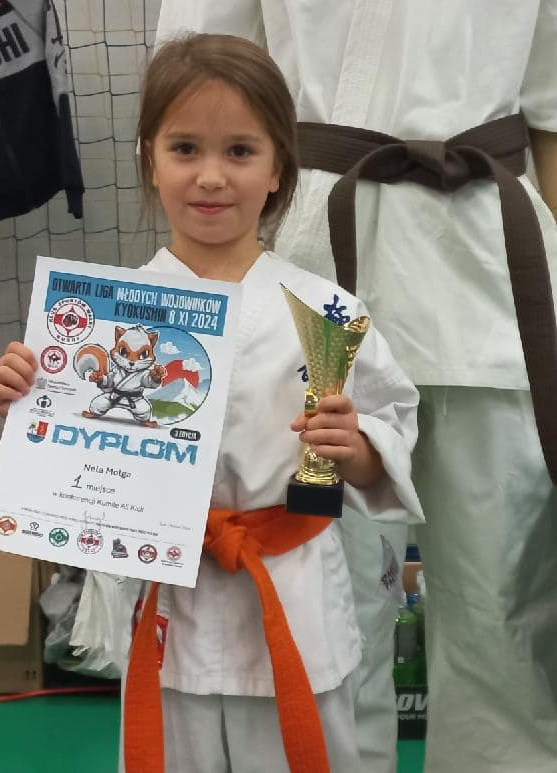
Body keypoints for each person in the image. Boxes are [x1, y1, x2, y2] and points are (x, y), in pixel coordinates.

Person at [0, 34, 423, 773]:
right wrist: (32, 402)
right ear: (149, 161)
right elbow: (71, 475)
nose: (211, 176)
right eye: (185, 148)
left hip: (292, 597)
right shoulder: (104, 316)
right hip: (169, 605)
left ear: (278, 168)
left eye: (240, 151)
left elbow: (394, 428)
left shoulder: (328, 313)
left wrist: (362, 449)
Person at [154, 5, 557, 773]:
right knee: (323, 605)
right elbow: (200, 69)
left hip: (493, 285)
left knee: (501, 609)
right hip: (314, 292)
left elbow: (552, 113)